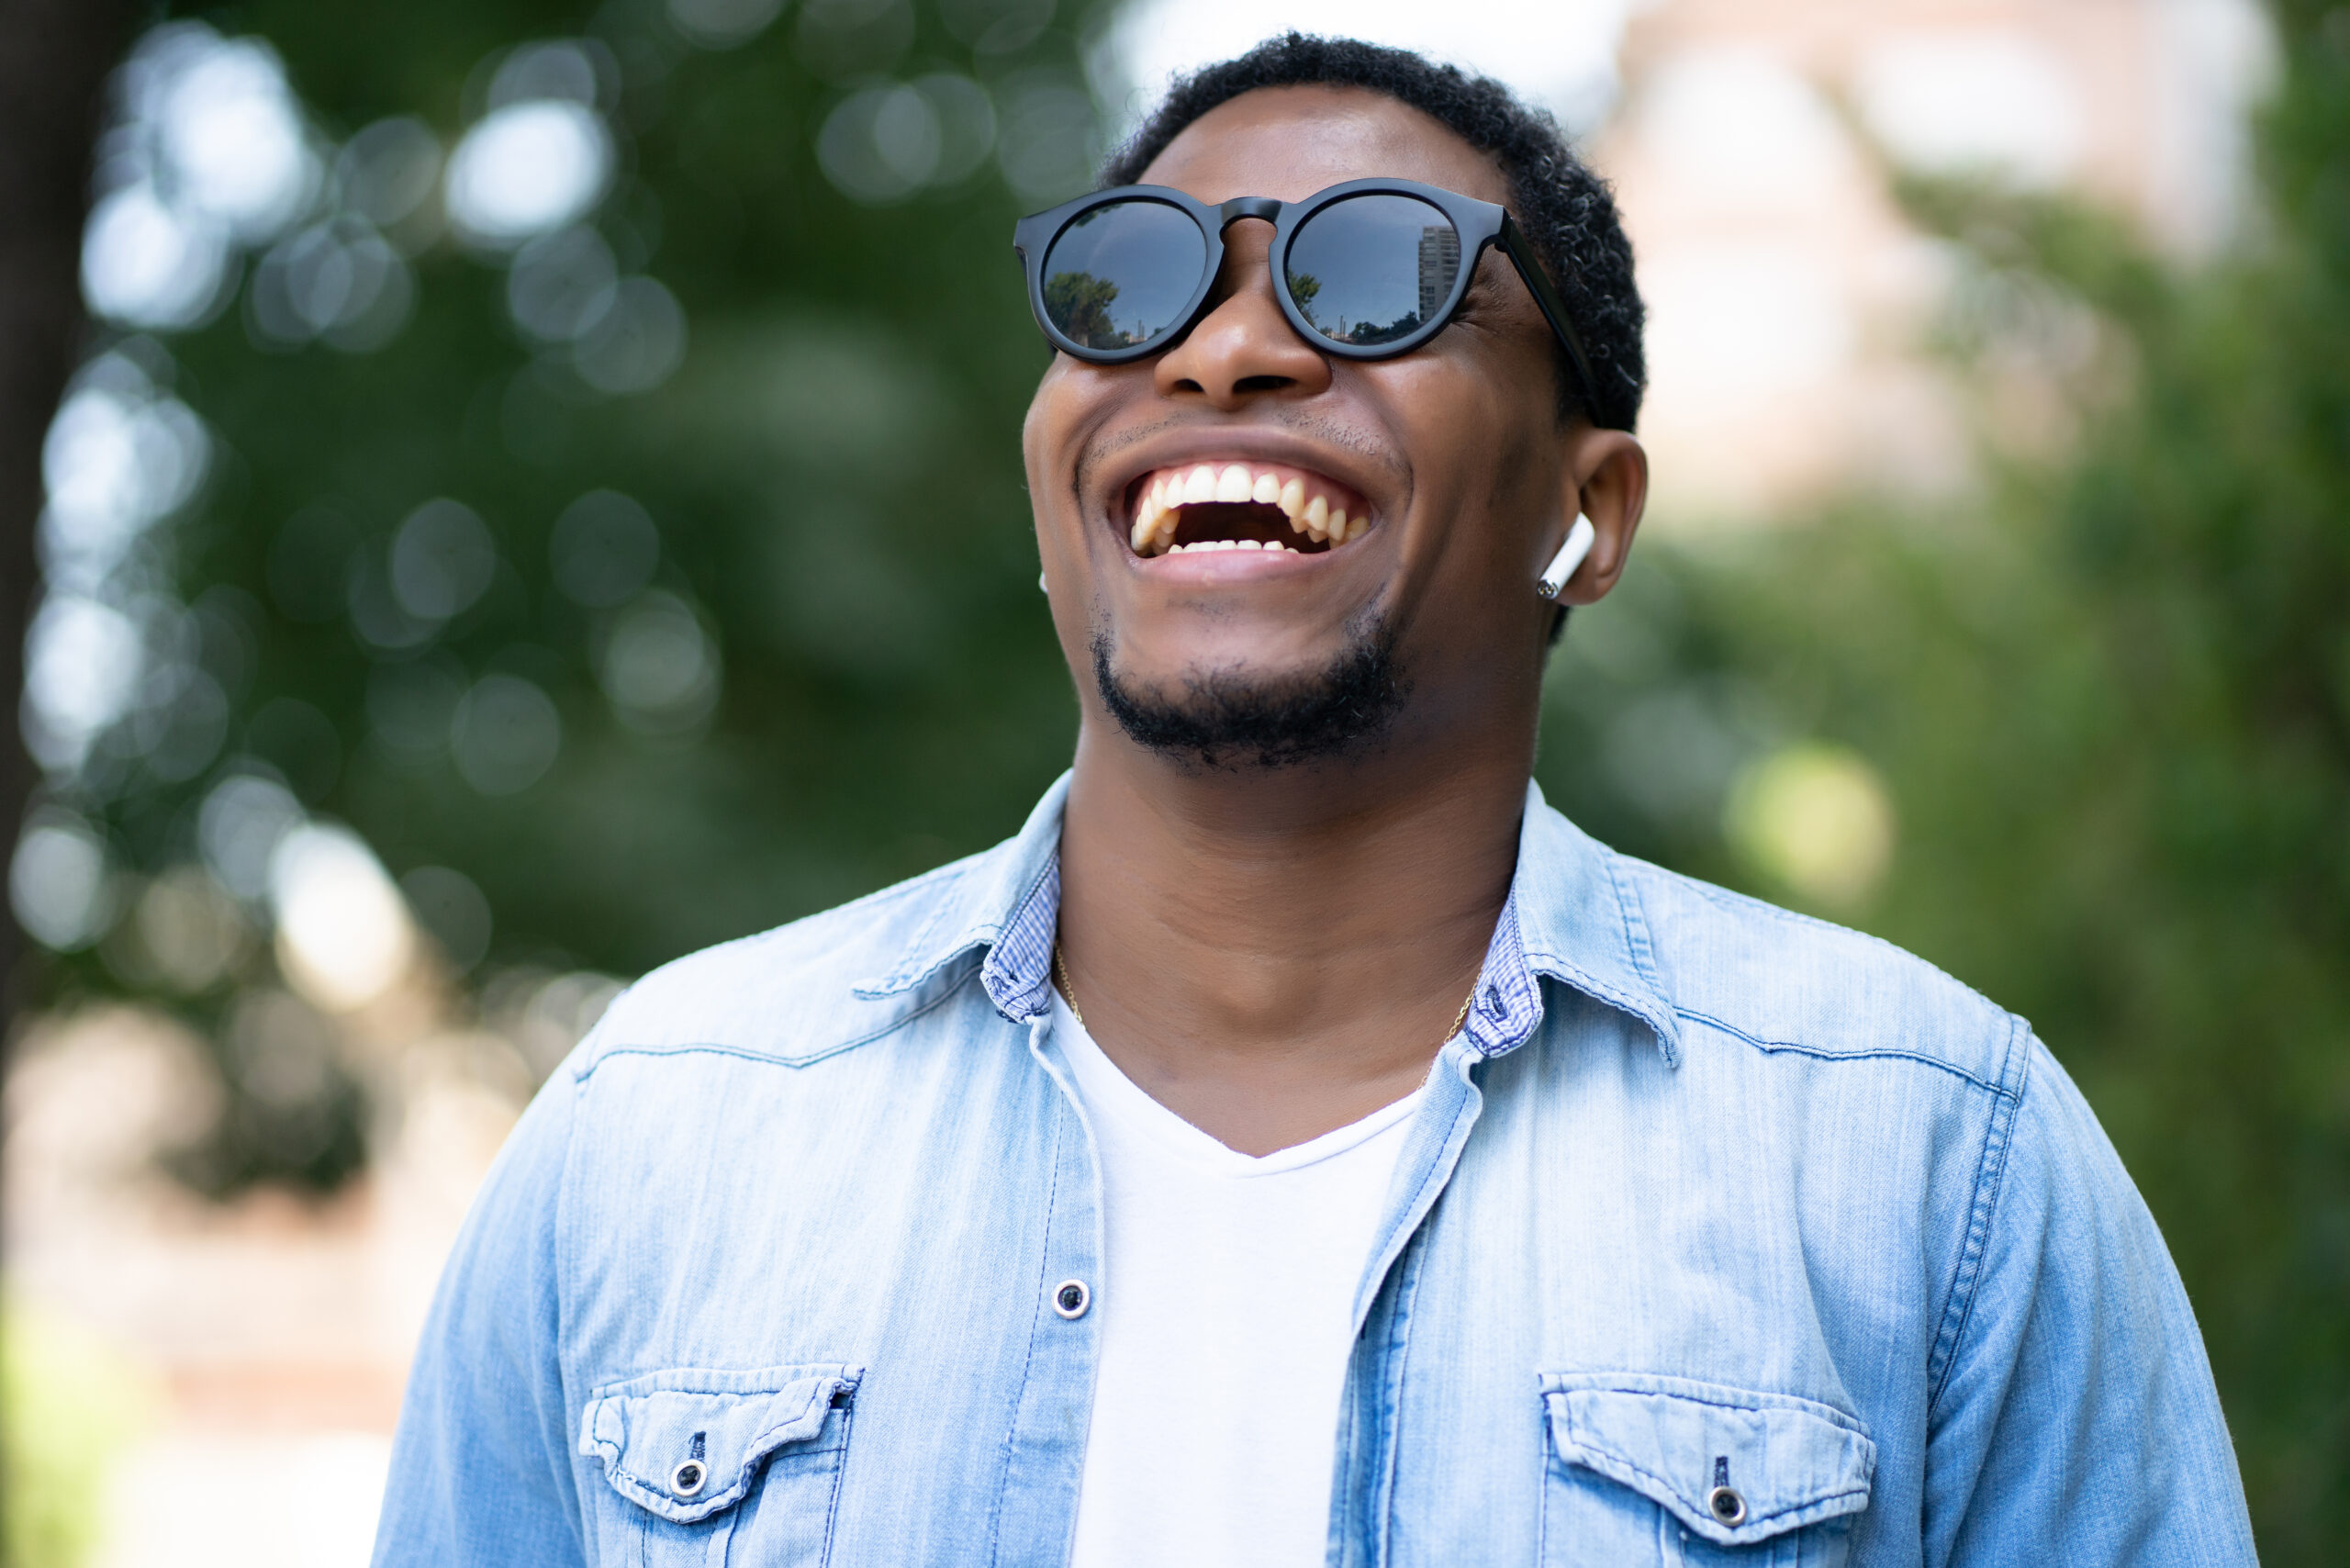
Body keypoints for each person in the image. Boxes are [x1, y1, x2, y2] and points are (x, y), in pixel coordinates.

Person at [373, 34, 2255, 1568]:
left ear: (1585, 510)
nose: (1223, 346)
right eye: (1127, 284)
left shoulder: (1925, 1161)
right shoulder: (665, 1129)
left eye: (1373, 273)